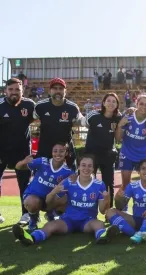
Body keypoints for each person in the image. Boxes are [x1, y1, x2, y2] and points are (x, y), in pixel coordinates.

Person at [12, 155, 119, 245]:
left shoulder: (99, 185)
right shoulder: (69, 182)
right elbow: (49, 201)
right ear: (79, 167)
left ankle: (103, 237)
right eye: (83, 165)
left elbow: (102, 211)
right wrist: (54, 192)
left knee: (99, 224)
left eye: (90, 166)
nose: (86, 168)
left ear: (93, 168)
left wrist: (106, 200)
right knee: (50, 226)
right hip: (68, 220)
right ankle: (30, 238)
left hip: (87, 221)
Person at [107, 159, 146, 244]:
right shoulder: (132, 186)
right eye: (143, 168)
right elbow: (120, 207)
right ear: (138, 171)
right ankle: (135, 234)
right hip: (136, 220)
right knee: (110, 212)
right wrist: (118, 198)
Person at [0, 78, 35, 225]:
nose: (14, 92)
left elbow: (40, 120)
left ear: (22, 91)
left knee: (24, 184)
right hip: (1, 152)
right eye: (11, 89)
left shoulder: (29, 105)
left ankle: (25, 214)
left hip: (22, 152)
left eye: (17, 90)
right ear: (5, 91)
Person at [34, 78, 83, 171]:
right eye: (55, 88)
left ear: (65, 91)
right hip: (45, 148)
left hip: (66, 148)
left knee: (71, 176)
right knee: (41, 177)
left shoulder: (72, 107)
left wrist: (88, 121)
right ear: (50, 91)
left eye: (61, 89)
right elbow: (31, 118)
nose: (58, 91)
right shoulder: (40, 106)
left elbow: (80, 119)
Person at [83, 93, 123, 207]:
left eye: (114, 101)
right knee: (87, 181)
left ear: (117, 105)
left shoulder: (118, 118)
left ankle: (108, 210)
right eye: (108, 100)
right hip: (91, 155)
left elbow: (119, 137)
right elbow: (82, 123)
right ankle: (86, 207)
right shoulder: (93, 115)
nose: (111, 103)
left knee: (108, 184)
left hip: (108, 155)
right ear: (104, 103)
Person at [115, 95, 146, 190]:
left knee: (145, 185)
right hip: (127, 155)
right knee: (125, 185)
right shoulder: (128, 116)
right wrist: (120, 125)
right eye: (141, 104)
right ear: (136, 104)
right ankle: (122, 205)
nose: (144, 106)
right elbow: (118, 139)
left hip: (143, 157)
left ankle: (141, 205)